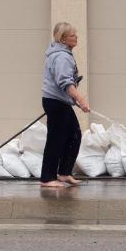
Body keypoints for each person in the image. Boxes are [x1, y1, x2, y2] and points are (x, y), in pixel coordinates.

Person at [40, 21, 90, 188]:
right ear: (62, 39)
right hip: (56, 102)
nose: (76, 37)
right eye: (72, 35)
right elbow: (64, 82)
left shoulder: (63, 54)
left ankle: (64, 173)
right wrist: (81, 100)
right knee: (56, 139)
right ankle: (48, 178)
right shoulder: (62, 56)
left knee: (73, 135)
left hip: (59, 101)